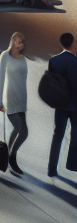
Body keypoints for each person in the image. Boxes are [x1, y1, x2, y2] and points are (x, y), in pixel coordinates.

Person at [0, 31, 29, 177]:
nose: (21, 44)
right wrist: (0, 102)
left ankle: (6, 157)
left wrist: (24, 101)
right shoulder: (5, 55)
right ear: (13, 41)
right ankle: (12, 157)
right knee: (23, 131)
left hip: (21, 98)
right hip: (10, 98)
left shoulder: (23, 59)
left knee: (17, 129)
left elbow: (23, 80)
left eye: (23, 41)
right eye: (19, 41)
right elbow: (1, 78)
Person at [49, 33, 77, 176]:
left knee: (58, 134)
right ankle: (72, 166)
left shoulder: (53, 60)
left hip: (60, 104)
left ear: (62, 44)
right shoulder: (75, 61)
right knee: (75, 135)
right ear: (72, 44)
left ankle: (52, 168)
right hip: (75, 105)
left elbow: (51, 82)